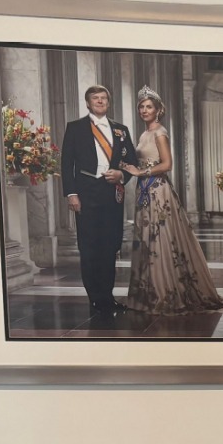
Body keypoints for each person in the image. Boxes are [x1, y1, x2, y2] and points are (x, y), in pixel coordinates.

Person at [122, 86, 223, 314]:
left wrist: (141, 172)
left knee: (160, 238)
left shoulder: (160, 132)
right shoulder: (144, 134)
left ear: (158, 110)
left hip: (158, 191)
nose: (144, 110)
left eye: (149, 107)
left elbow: (167, 164)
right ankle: (148, 294)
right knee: (147, 239)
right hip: (144, 191)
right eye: (141, 107)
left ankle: (164, 294)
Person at [59, 84, 137, 316]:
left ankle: (107, 296)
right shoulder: (75, 128)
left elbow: (132, 162)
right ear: (88, 102)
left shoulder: (121, 130)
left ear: (108, 102)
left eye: (104, 98)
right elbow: (66, 164)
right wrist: (71, 194)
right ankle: (95, 297)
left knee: (110, 245)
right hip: (85, 193)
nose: (100, 101)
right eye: (96, 98)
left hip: (112, 192)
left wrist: (121, 175)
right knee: (89, 246)